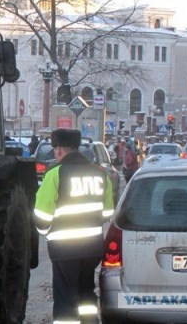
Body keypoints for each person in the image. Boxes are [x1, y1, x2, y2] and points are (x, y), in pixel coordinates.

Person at [34, 128, 114, 324]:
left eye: (55, 150)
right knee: (86, 291)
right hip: (92, 248)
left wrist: (46, 233)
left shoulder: (56, 174)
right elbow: (107, 213)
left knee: (65, 298)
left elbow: (42, 216)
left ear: (60, 150)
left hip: (65, 249)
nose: (55, 153)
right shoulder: (100, 173)